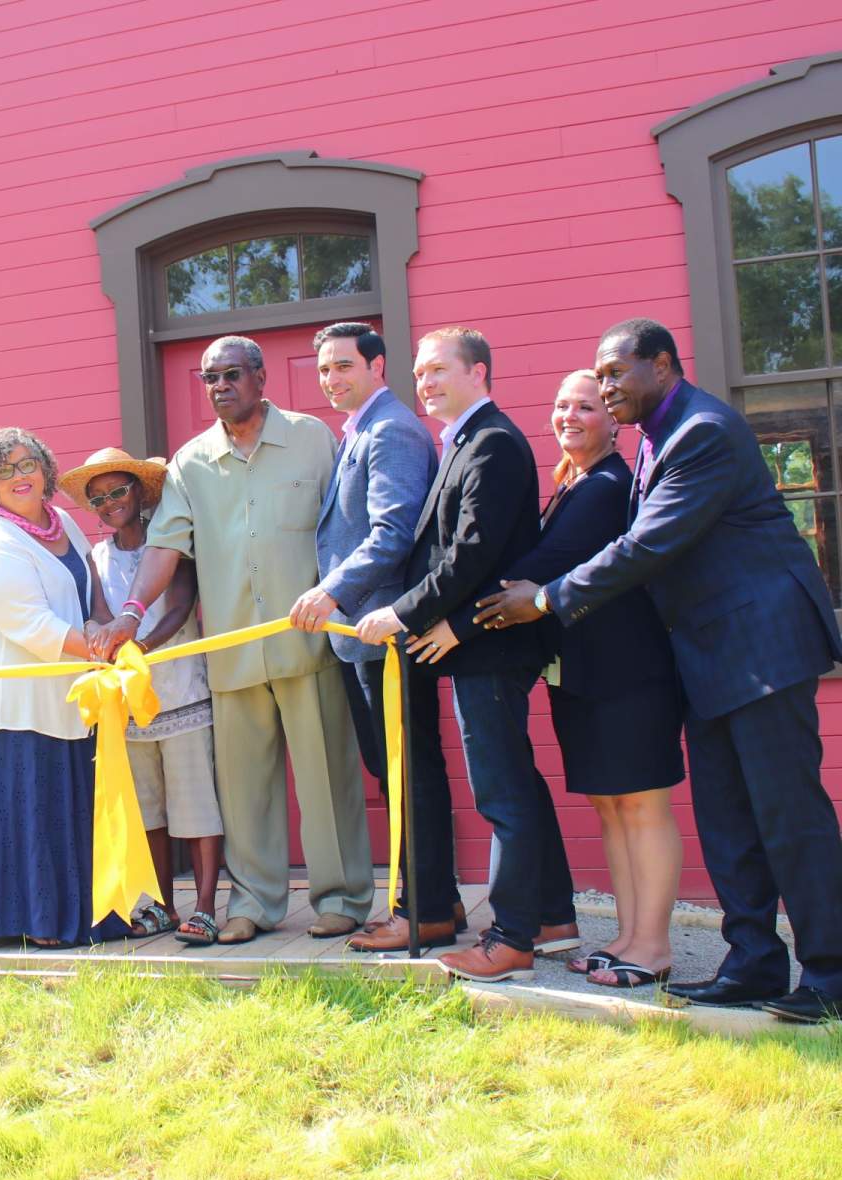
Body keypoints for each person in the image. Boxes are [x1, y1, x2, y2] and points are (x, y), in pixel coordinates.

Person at [475, 318, 842, 1023]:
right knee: (727, 818)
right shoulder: (658, 439)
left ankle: (828, 972)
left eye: (615, 374)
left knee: (788, 817)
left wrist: (548, 596)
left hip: (762, 646)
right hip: (706, 656)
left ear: (664, 365)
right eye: (598, 375)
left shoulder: (704, 430)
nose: (606, 388)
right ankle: (755, 963)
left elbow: (648, 543)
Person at [91, 335, 373, 946]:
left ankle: (341, 898)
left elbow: (352, 528)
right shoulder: (189, 463)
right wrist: (130, 615)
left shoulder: (314, 439)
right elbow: (166, 546)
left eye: (232, 375)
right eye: (209, 378)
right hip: (233, 651)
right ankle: (255, 903)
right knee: (244, 790)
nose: (220, 387)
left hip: (310, 644)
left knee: (327, 778)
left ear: (261, 376)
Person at [419, 371, 686, 987]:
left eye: (586, 407)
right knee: (611, 808)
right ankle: (626, 935)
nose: (570, 416)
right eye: (562, 405)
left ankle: (653, 945)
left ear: (614, 420)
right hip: (582, 672)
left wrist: (464, 614)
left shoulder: (608, 487)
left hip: (630, 671)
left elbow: (540, 568)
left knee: (642, 806)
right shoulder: (575, 483)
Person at [357, 327, 577, 982]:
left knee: (501, 794)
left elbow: (473, 554)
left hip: (491, 649)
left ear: (479, 372)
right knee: (518, 785)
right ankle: (552, 915)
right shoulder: (465, 441)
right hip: (477, 644)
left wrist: (406, 613)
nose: (424, 384)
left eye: (437, 371)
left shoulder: (494, 443)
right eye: (419, 374)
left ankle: (510, 939)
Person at [288, 321, 464, 953]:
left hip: (385, 636)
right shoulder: (358, 429)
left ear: (377, 366)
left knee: (408, 773)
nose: (332, 379)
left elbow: (392, 532)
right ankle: (435, 904)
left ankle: (423, 913)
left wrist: (330, 590)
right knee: (394, 774)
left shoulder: (390, 431)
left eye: (343, 367)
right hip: (357, 640)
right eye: (324, 370)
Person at [0, 429, 126, 946]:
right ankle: (33, 920)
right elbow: (29, 623)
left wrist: (108, 629)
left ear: (44, 468)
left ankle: (82, 912)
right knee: (27, 806)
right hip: (10, 705)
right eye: (4, 471)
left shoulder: (62, 521)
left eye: (26, 465)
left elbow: (91, 586)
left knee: (65, 804)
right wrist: (98, 651)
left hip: (64, 693)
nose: (18, 477)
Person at [59, 448, 224, 945]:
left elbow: (179, 607)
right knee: (149, 810)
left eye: (119, 490)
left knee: (196, 806)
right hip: (128, 702)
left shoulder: (170, 540)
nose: (110, 502)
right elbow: (102, 613)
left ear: (140, 490)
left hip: (179, 689)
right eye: (99, 497)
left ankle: (207, 906)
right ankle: (164, 905)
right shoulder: (97, 556)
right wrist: (103, 637)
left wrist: (140, 647)